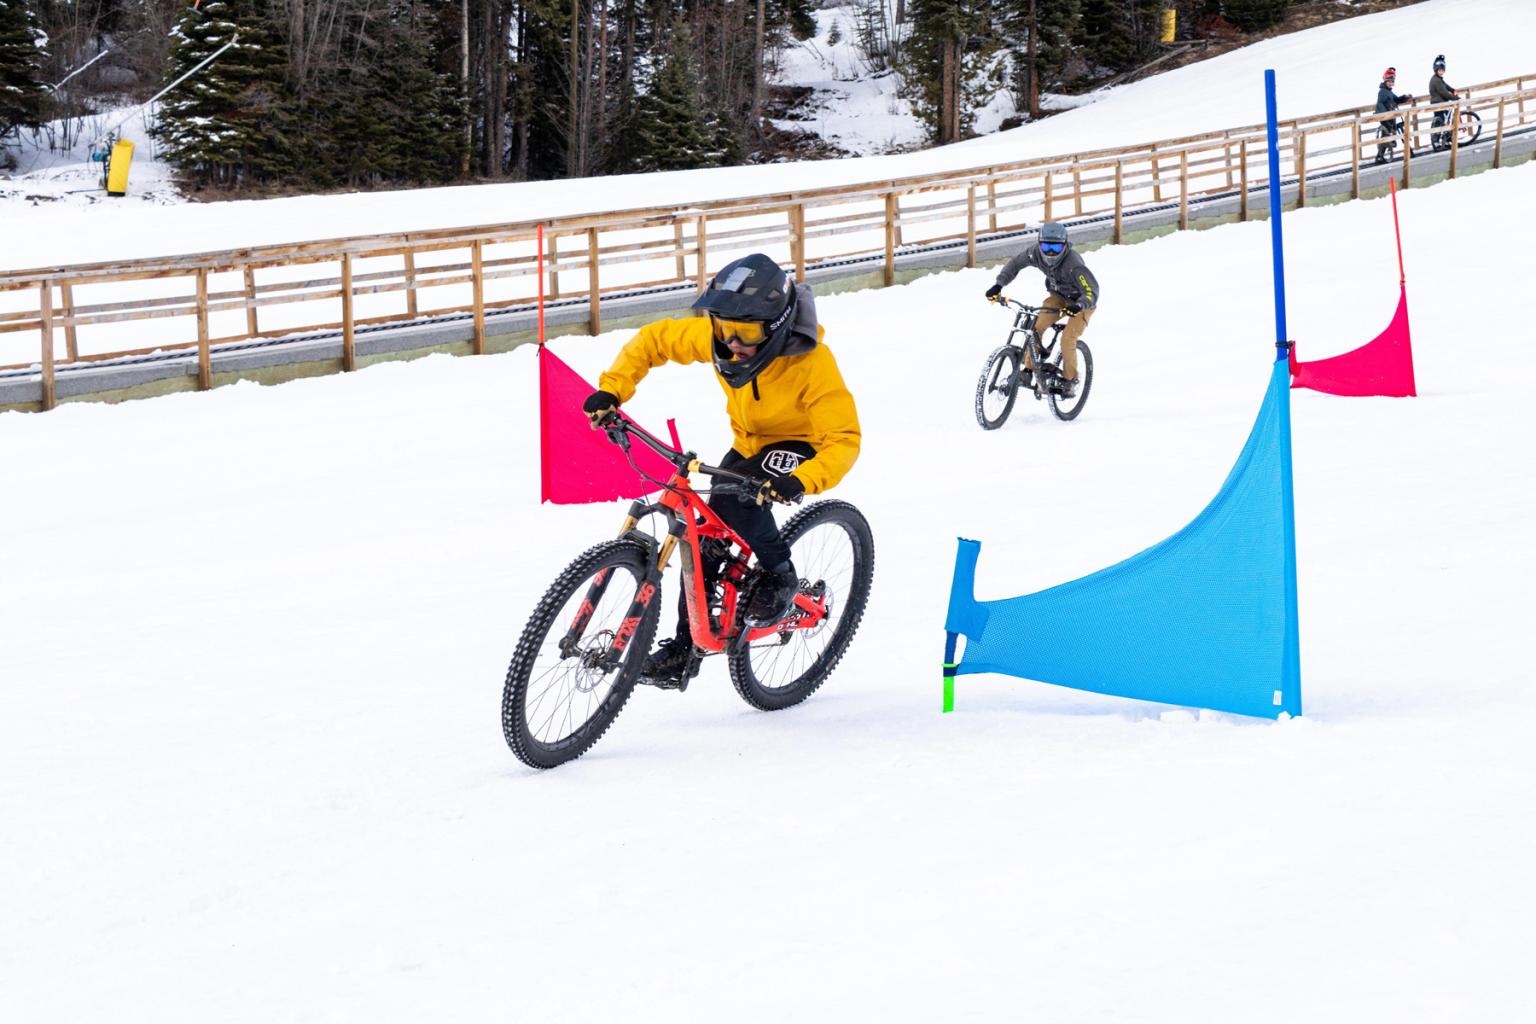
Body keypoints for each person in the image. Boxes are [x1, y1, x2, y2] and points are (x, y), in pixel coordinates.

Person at [582, 253, 861, 688]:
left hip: (800, 445)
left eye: (745, 333)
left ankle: (781, 575)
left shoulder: (811, 363)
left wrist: (801, 479)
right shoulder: (719, 337)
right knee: (703, 539)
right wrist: (611, 390)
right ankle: (683, 649)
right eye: (723, 328)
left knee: (738, 501)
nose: (731, 342)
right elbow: (653, 341)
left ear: (776, 326)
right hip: (748, 444)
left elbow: (843, 438)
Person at [983, 221, 1098, 398]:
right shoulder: (1035, 253)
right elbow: (1015, 264)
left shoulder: (1073, 264)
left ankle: (1070, 381)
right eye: (1046, 246)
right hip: (1058, 297)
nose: (1050, 252)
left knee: (1068, 338)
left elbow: (1091, 291)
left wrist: (1079, 305)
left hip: (1081, 303)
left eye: (1056, 247)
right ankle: (1028, 370)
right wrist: (999, 285)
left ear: (1065, 245)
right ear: (1039, 243)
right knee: (1035, 327)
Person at [1374, 67, 1412, 165]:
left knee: (1388, 137)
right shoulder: (1383, 92)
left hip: (1390, 116)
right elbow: (1380, 104)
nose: (1391, 83)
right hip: (1386, 117)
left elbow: (1396, 100)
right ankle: (1379, 157)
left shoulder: (1388, 91)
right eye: (1389, 81)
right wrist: (1386, 117)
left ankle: (1380, 156)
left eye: (1392, 81)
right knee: (1387, 136)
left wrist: (1405, 98)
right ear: (1385, 81)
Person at [1428, 55, 1461, 148]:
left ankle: (1446, 140)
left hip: (1443, 103)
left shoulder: (1439, 79)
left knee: (1446, 121)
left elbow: (1446, 86)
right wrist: (1456, 98)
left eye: (1442, 70)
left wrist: (1453, 90)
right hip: (1438, 104)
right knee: (1439, 122)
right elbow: (1444, 93)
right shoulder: (1436, 80)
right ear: (1436, 70)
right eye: (1439, 70)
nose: (1441, 72)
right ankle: (1435, 142)